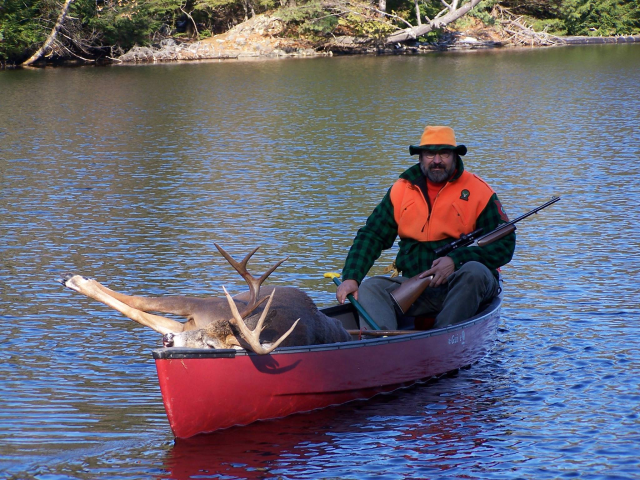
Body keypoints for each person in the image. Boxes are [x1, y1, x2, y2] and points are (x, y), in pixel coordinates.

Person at [336, 125, 516, 330]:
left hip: (465, 287)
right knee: (370, 289)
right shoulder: (401, 189)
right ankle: (383, 344)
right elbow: (372, 235)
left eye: (444, 153)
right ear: (420, 157)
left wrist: (456, 260)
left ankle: (442, 337)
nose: (437, 160)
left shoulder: (479, 191)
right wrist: (351, 277)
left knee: (473, 272)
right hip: (415, 285)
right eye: (430, 153)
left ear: (455, 156)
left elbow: (505, 245)